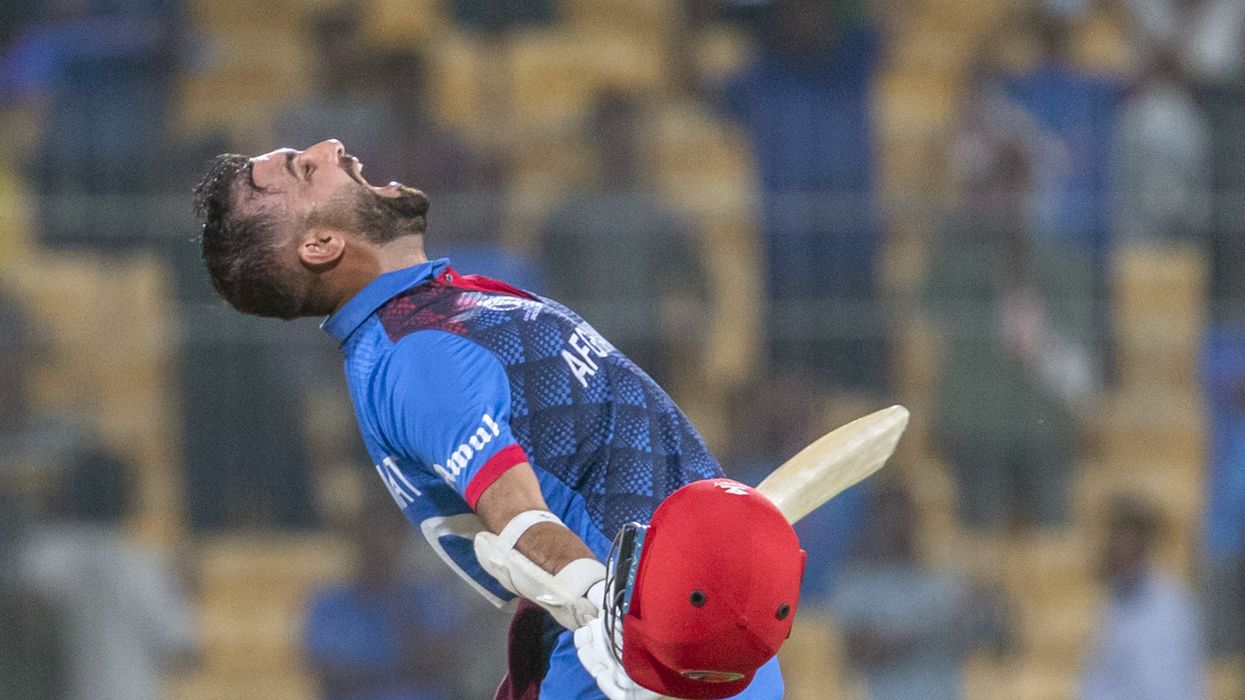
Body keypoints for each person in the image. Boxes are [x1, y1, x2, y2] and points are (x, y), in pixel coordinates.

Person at [191, 139, 791, 699]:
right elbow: (519, 523)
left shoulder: (434, 313)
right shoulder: (417, 356)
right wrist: (603, 606)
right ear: (320, 245)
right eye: (304, 169)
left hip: (697, 643)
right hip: (638, 665)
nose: (331, 148)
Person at [538, 90, 711, 387]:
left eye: (626, 135)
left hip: (648, 356)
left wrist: (685, 333)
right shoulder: (567, 218)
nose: (619, 145)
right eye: (610, 137)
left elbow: (698, 289)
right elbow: (543, 290)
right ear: (593, 142)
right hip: (583, 355)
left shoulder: (662, 217)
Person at [19, 447, 196, 700]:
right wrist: (183, 591)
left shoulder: (36, 560)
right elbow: (181, 655)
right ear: (129, 500)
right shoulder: (144, 567)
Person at [831, 483, 1008, 700]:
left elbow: (995, 644)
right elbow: (857, 652)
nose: (898, 528)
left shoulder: (943, 581)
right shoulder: (857, 583)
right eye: (890, 520)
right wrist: (927, 625)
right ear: (875, 524)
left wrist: (991, 607)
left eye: (904, 518)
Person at [304, 499, 469, 700]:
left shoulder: (427, 597)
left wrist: (397, 603)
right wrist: (398, 668)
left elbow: (442, 660)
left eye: (387, 537)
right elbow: (326, 669)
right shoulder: (329, 604)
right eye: (370, 537)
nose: (379, 547)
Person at [1081, 495, 1207, 699]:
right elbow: (1094, 684)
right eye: (1114, 544)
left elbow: (1176, 685)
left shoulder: (1173, 605)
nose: (1117, 554)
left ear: (1143, 547)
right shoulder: (1106, 608)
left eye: (1126, 545)